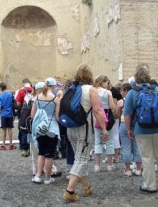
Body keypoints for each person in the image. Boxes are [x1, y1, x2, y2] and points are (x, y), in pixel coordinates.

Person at [124, 66, 158, 193]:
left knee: (147, 157)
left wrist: (129, 128)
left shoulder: (132, 92)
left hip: (141, 129)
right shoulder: (157, 90)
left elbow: (127, 113)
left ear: (136, 78)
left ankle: (150, 185)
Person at [63, 64, 108, 202]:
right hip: (85, 129)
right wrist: (104, 129)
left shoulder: (71, 89)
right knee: (81, 160)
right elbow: (97, 111)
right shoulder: (91, 90)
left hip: (70, 128)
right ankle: (69, 192)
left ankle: (86, 187)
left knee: (79, 157)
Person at [31, 77, 60, 185]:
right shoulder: (55, 99)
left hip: (39, 128)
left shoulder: (37, 97)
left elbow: (32, 115)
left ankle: (38, 176)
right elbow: (57, 117)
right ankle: (48, 178)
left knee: (41, 152)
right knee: (49, 154)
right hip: (52, 127)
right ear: (53, 87)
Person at [116, 83, 142, 176]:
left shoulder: (120, 102)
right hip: (135, 124)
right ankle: (139, 169)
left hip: (124, 124)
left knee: (126, 147)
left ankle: (128, 170)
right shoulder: (136, 98)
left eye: (121, 91)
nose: (121, 93)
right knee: (137, 147)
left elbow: (117, 115)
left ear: (125, 91)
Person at [93, 75, 116, 172]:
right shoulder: (108, 92)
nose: (108, 85)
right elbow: (112, 106)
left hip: (96, 117)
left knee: (97, 142)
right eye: (107, 83)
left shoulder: (93, 91)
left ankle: (97, 165)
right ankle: (109, 165)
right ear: (102, 82)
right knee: (109, 141)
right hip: (107, 116)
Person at [15, 78, 33, 157]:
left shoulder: (21, 91)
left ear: (23, 84)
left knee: (23, 129)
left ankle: (24, 148)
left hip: (24, 113)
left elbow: (18, 103)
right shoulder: (34, 90)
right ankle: (32, 147)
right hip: (33, 113)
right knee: (32, 129)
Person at [0, 82, 15, 151]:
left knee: (4, 130)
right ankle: (11, 144)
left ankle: (3, 145)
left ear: (1, 88)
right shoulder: (10, 94)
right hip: (10, 113)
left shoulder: (0, 96)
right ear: (6, 87)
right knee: (10, 129)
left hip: (3, 114)